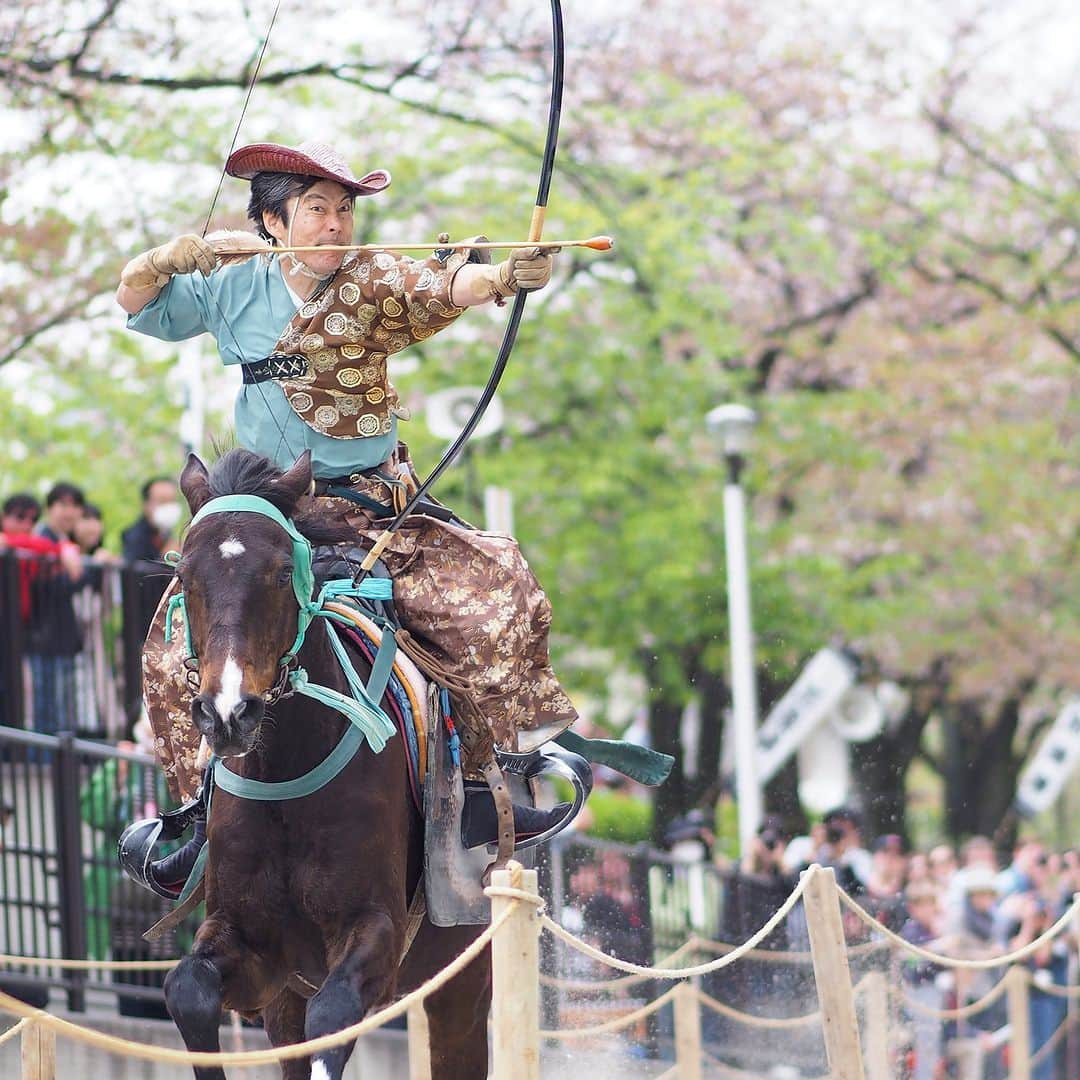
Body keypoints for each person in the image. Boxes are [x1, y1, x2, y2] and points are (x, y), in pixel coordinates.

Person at [117, 140, 575, 876]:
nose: (335, 226)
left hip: (370, 512)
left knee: (495, 597)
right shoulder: (234, 281)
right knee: (175, 649)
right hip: (269, 517)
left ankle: (487, 790)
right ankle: (198, 814)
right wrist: (162, 261)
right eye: (317, 211)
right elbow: (135, 303)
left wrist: (499, 278)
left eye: (344, 211)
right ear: (272, 222)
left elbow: (442, 286)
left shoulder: (371, 279)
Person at [122, 477, 182, 638]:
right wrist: (163, 560)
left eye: (172, 501)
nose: (168, 507)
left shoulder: (167, 535)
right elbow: (136, 578)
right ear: (146, 505)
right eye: (162, 501)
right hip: (142, 628)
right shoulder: (134, 537)